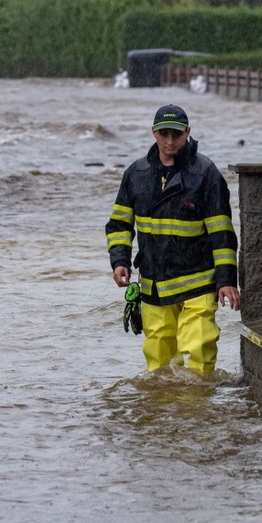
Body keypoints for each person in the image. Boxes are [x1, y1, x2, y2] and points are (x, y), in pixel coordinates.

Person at [106, 104, 240, 377]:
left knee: (199, 345)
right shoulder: (136, 174)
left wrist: (226, 280)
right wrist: (119, 260)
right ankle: (163, 408)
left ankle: (197, 406)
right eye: (164, 133)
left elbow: (222, 232)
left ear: (187, 133)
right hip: (155, 282)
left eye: (176, 134)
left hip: (198, 281)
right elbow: (120, 223)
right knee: (159, 356)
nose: (170, 141)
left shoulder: (206, 174)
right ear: (154, 133)